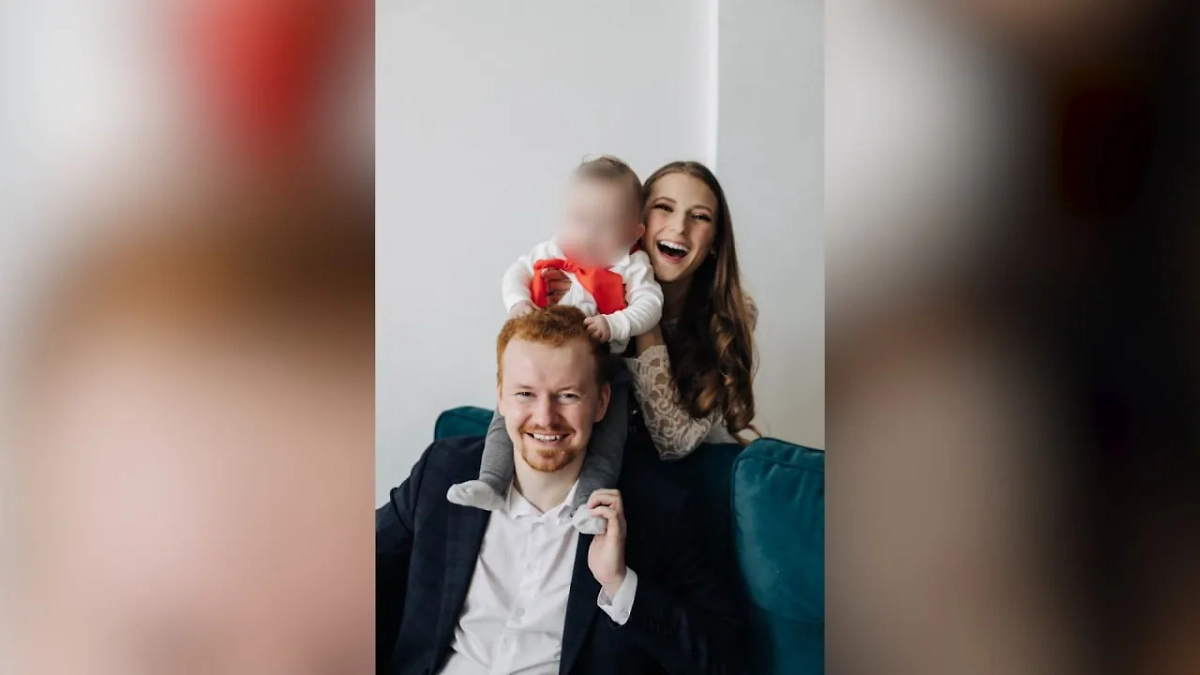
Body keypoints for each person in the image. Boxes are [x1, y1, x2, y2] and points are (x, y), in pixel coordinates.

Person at [376, 305, 740, 675]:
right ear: (501, 398)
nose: (545, 418)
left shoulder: (656, 508)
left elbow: (721, 659)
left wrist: (620, 584)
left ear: (601, 403)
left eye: (567, 396)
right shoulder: (443, 472)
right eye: (525, 394)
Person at [446, 156, 664, 536]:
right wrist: (518, 302)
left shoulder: (631, 264)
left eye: (606, 225)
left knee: (609, 440)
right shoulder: (552, 251)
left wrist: (615, 323)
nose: (589, 234)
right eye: (579, 219)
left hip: (607, 366)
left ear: (634, 231)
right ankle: (491, 482)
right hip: (545, 362)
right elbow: (515, 274)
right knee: (505, 418)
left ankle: (588, 505)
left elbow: (651, 304)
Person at [542, 161, 758, 460]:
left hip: (695, 467)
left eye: (699, 216)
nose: (679, 227)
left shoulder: (725, 318)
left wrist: (642, 315)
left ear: (714, 243)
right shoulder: (577, 282)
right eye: (664, 208)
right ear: (634, 223)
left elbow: (675, 444)